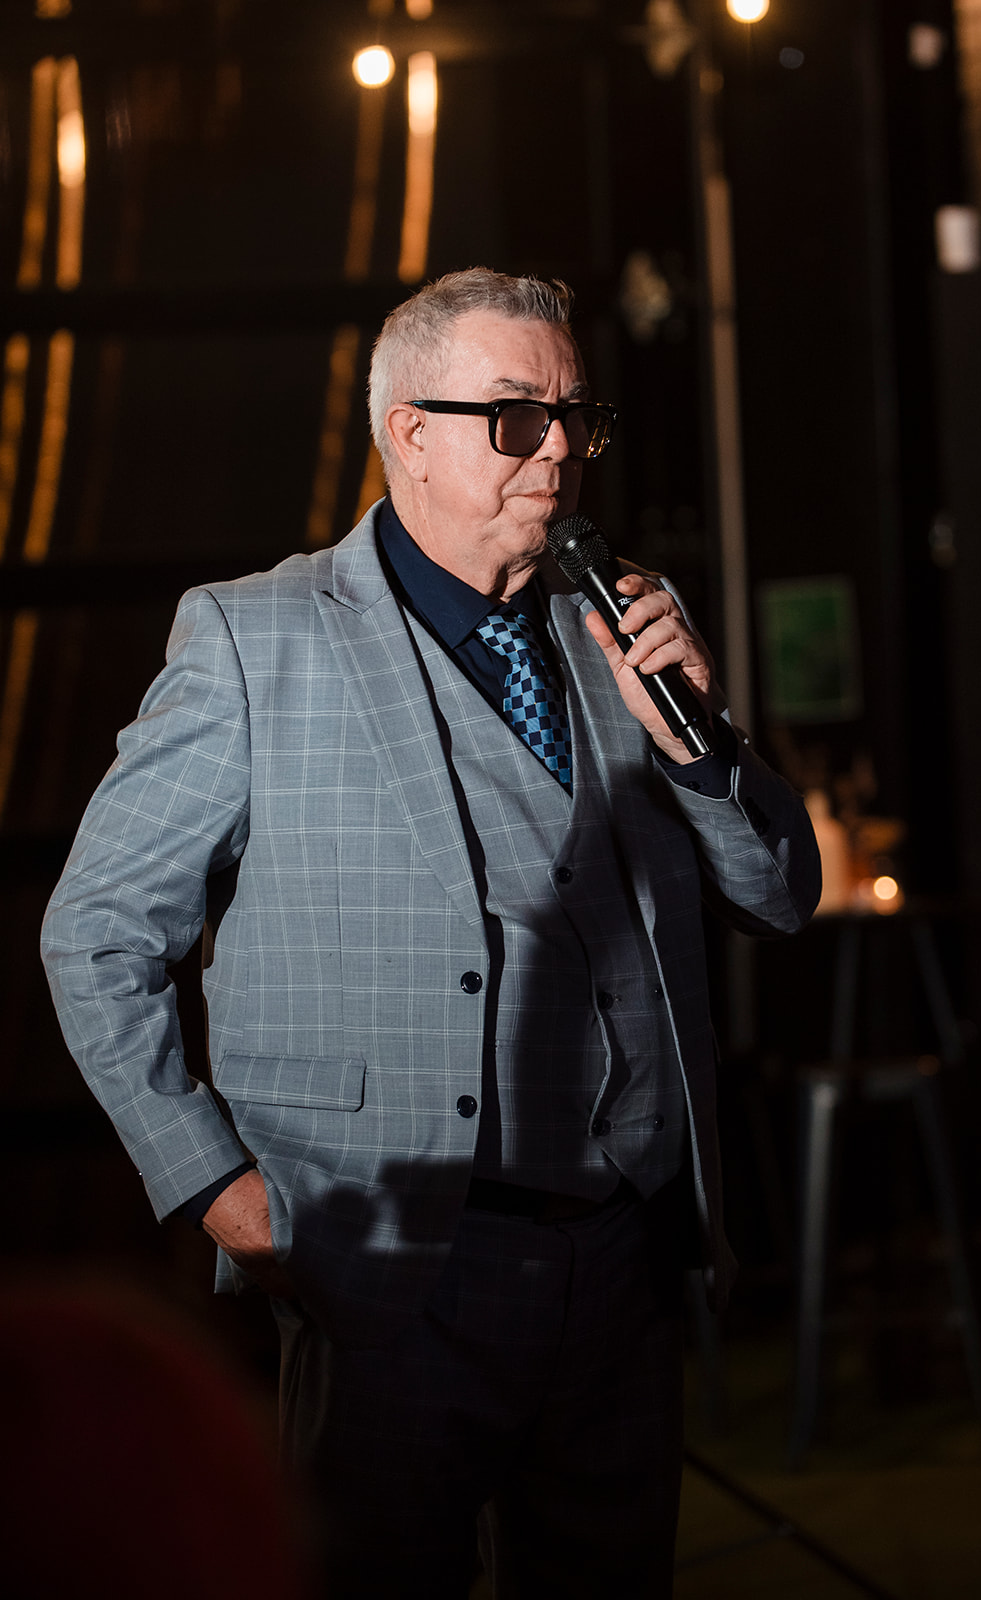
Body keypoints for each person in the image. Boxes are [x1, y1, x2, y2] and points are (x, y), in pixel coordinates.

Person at [42, 267, 820, 1598]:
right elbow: (98, 932)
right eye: (516, 417)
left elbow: (776, 896)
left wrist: (704, 750)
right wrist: (216, 1189)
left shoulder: (618, 623)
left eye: (576, 416)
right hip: (390, 1267)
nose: (558, 450)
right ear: (407, 430)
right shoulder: (254, 639)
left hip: (620, 1259)